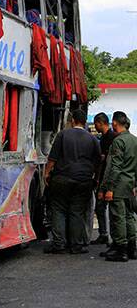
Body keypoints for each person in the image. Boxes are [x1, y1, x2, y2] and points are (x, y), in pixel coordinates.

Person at [43, 109, 101, 254]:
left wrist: (46, 174)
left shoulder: (62, 135)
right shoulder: (92, 139)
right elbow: (98, 162)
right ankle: (76, 245)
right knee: (77, 211)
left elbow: (52, 159)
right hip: (84, 180)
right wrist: (96, 178)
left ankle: (59, 244)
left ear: (73, 120)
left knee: (59, 210)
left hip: (62, 178)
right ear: (84, 121)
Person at [99, 111, 137, 262]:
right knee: (129, 216)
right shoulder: (134, 140)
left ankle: (120, 249)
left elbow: (114, 167)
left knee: (117, 217)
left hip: (118, 185)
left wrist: (108, 188)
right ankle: (132, 248)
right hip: (129, 184)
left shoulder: (118, 141)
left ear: (114, 123)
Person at [91, 112, 115, 245]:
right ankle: (104, 234)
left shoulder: (110, 138)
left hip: (107, 178)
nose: (95, 127)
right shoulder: (105, 137)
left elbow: (104, 161)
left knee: (106, 207)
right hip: (105, 177)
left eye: (96, 124)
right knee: (101, 207)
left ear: (101, 123)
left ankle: (108, 235)